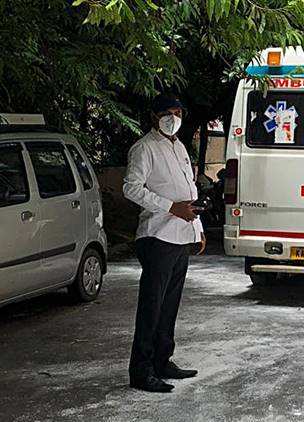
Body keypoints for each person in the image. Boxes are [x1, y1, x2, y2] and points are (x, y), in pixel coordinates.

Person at [123, 94, 206, 393]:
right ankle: (141, 371)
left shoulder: (180, 146)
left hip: (180, 237)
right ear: (154, 116)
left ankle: (162, 360)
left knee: (169, 305)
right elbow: (131, 188)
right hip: (157, 236)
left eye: (178, 112)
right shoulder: (144, 148)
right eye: (167, 113)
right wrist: (170, 207)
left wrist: (198, 228)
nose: (174, 117)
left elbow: (189, 191)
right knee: (151, 307)